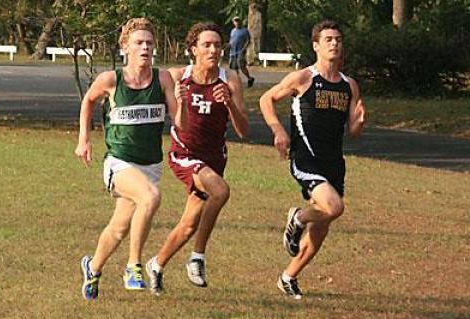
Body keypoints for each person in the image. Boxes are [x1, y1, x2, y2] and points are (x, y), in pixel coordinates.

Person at [74, 18, 187, 300]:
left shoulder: (162, 79)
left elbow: (180, 124)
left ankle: (93, 267)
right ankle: (133, 266)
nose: (145, 47)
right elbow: (88, 101)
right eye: (139, 42)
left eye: (149, 43)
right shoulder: (111, 80)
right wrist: (84, 139)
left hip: (150, 163)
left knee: (119, 227)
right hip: (119, 161)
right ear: (125, 47)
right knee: (150, 197)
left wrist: (180, 100)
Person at [259, 20, 366, 299]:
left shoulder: (349, 85)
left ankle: (288, 277)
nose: (334, 43)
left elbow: (353, 133)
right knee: (334, 207)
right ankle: (297, 217)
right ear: (316, 46)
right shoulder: (304, 78)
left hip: (334, 164)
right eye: (328, 39)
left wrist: (358, 123)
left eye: (338, 39)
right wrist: (278, 130)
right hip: (306, 159)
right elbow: (266, 100)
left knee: (320, 230)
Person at [145, 22, 249, 295]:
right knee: (221, 191)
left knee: (189, 223)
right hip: (185, 155)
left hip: (215, 158)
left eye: (217, 44)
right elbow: (170, 119)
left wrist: (228, 102)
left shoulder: (231, 80)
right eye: (206, 44)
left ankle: (156, 264)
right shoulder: (178, 76)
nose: (213, 49)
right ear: (193, 49)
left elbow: (243, 130)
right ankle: (197, 258)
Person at [229, 16, 255, 88]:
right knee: (234, 68)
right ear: (234, 23)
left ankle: (249, 78)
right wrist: (228, 45)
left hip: (240, 51)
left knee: (241, 66)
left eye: (238, 21)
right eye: (235, 21)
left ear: (240, 22)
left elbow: (248, 40)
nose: (237, 22)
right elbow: (231, 40)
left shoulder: (244, 30)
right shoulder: (233, 31)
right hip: (232, 52)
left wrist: (244, 48)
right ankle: (237, 82)